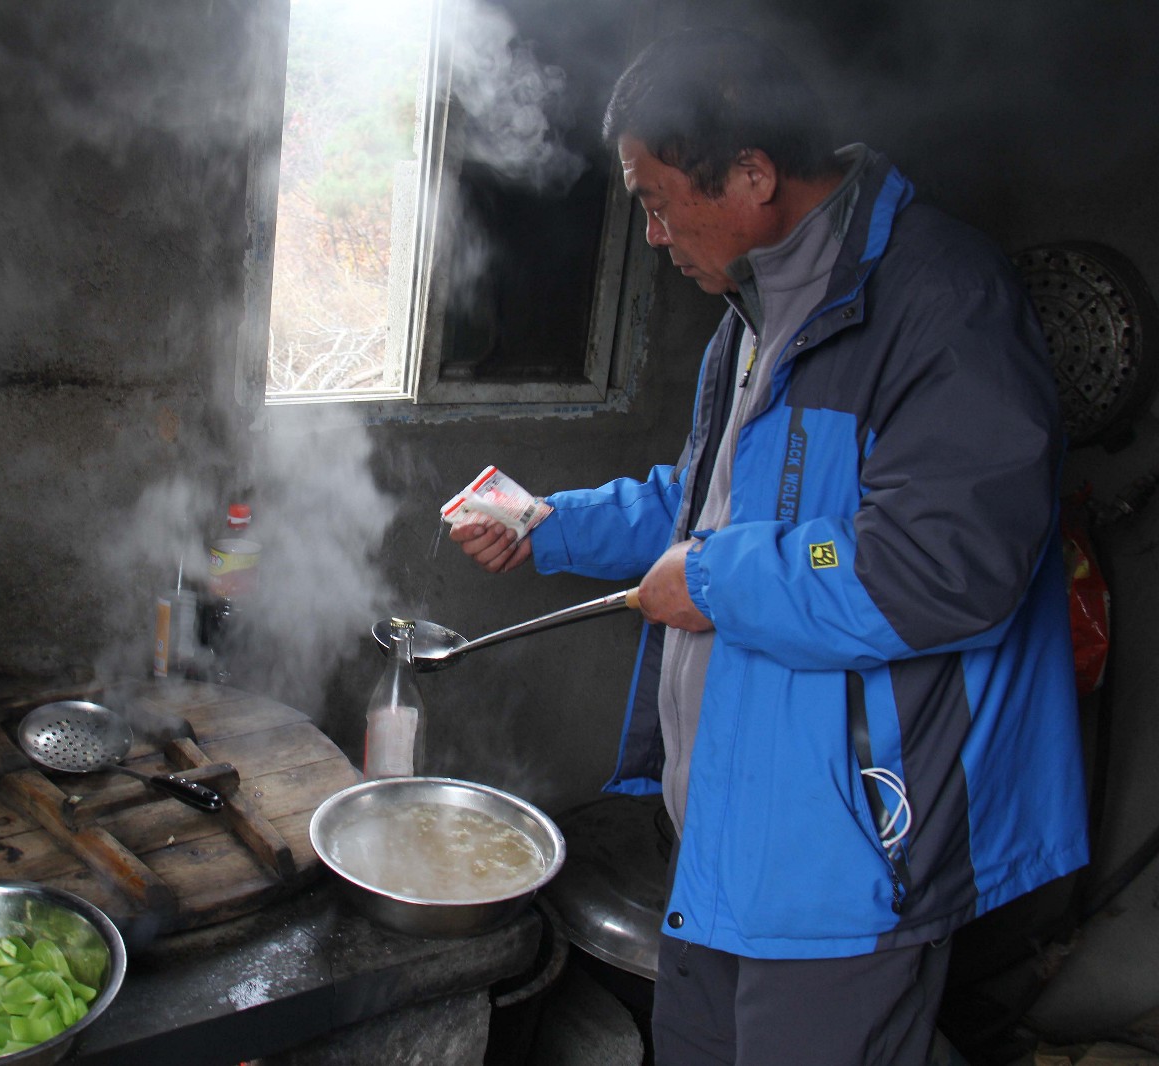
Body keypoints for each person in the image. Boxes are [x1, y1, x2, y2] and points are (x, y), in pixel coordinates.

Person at [452, 26, 1088, 1066]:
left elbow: (934, 562)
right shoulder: (755, 307)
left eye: (657, 203)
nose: (651, 235)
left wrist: (710, 578)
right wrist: (552, 524)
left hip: (842, 857)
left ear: (751, 174)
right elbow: (709, 501)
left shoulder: (940, 306)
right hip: (719, 834)